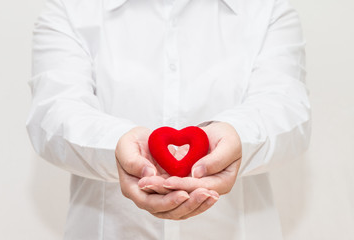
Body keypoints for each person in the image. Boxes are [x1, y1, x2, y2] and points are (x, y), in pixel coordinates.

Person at [26, 0, 311, 239]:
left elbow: (286, 105)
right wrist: (116, 146)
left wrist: (239, 136)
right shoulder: (70, 8)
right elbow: (54, 111)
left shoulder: (267, 7)